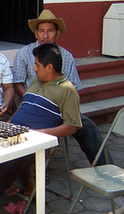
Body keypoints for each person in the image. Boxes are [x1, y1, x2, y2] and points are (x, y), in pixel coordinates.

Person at [0, 43, 82, 214]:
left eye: (37, 65)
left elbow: (72, 126)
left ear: (49, 67)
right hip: (10, 132)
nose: (34, 68)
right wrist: (8, 124)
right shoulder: (36, 82)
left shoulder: (67, 91)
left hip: (30, 142)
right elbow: (25, 109)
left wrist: (39, 134)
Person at [10, 9, 113, 196]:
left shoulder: (66, 56)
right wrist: (31, 101)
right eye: (41, 31)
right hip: (31, 106)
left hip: (60, 108)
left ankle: (107, 172)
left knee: (87, 126)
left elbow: (73, 88)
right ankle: (29, 176)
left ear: (57, 34)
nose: (46, 35)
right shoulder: (25, 54)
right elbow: (17, 82)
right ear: (36, 33)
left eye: (50, 31)